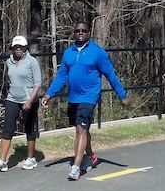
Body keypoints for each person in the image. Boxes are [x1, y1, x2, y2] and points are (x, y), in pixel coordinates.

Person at [40, 20, 130, 181]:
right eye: (77, 30)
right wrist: (49, 94)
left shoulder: (98, 53)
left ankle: (76, 167)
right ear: (74, 33)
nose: (80, 32)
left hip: (89, 97)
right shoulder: (69, 52)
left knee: (80, 130)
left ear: (89, 33)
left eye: (84, 30)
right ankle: (91, 156)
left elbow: (110, 74)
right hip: (73, 97)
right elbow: (62, 76)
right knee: (83, 129)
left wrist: (122, 95)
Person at [0, 35, 42, 173]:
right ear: (12, 49)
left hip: (29, 99)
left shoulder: (32, 62)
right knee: (7, 128)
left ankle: (31, 158)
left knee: (29, 128)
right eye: (15, 47)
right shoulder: (9, 62)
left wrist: (30, 101)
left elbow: (37, 84)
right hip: (12, 98)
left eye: (21, 47)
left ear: (25, 48)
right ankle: (2, 161)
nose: (18, 49)